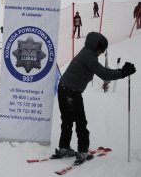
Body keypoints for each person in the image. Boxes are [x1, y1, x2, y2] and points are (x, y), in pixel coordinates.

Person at [54, 32, 136, 166]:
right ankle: (82, 152)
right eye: (102, 49)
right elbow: (104, 73)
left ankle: (64, 147)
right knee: (81, 123)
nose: (102, 52)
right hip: (71, 92)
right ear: (97, 46)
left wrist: (120, 71)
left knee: (67, 120)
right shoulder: (89, 57)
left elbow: (101, 70)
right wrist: (123, 72)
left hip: (63, 88)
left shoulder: (87, 52)